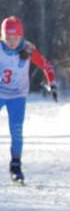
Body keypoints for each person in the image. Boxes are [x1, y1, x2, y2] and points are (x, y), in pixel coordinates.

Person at [0, 16, 57, 183]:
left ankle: (15, 166)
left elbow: (47, 66)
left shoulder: (28, 49)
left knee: (16, 131)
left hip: (17, 96)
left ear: (21, 36)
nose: (12, 42)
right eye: (8, 38)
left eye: (15, 38)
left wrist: (52, 83)